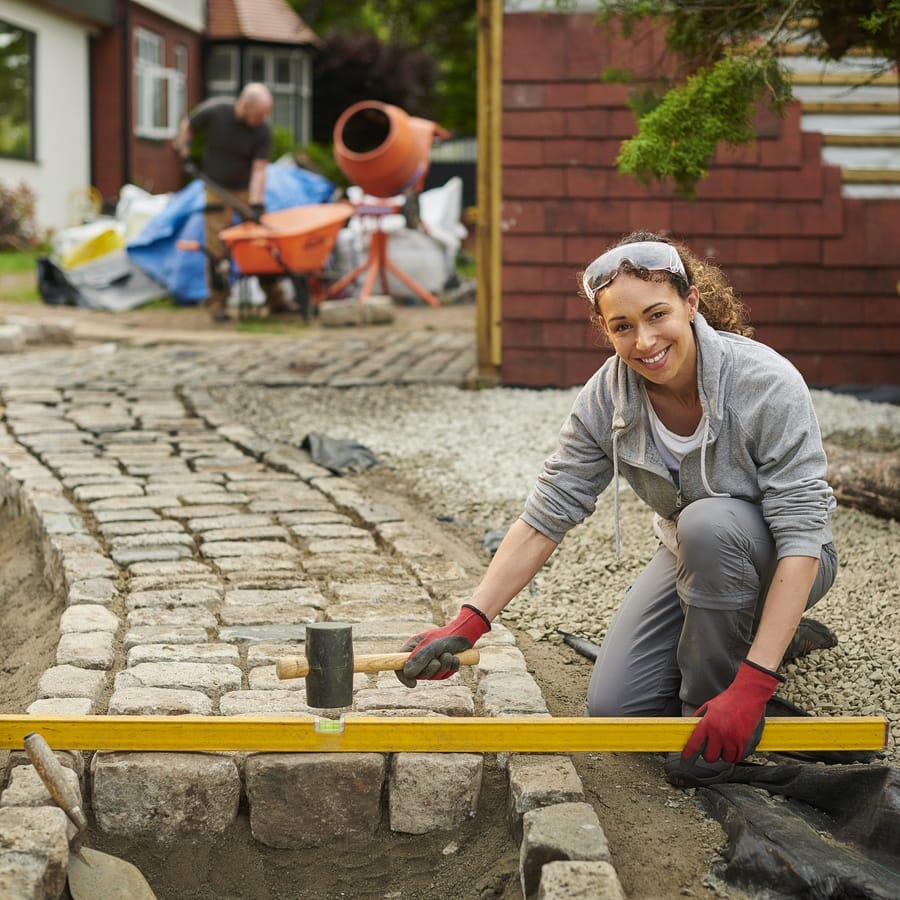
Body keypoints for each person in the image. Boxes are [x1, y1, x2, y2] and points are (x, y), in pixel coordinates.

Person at [396, 231, 838, 787]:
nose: (645, 340)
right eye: (622, 327)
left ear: (692, 303)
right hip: (696, 557)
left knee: (707, 523)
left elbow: (801, 533)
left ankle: (714, 712)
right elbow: (547, 512)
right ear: (605, 330)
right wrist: (470, 621)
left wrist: (751, 686)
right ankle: (762, 634)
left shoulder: (765, 383)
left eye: (658, 315)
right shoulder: (607, 399)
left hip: (787, 557)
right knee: (616, 712)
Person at [176, 83, 298, 322]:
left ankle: (276, 299)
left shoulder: (262, 131)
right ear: (244, 106)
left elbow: (260, 170)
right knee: (217, 246)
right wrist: (185, 154)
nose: (263, 119)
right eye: (259, 114)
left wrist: (256, 204)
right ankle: (218, 303)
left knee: (259, 241)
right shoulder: (214, 112)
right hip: (215, 188)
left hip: (244, 189)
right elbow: (187, 126)